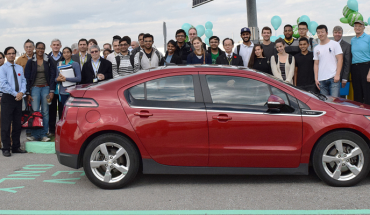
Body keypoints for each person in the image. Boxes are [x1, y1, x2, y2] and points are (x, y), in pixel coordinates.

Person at [25, 42, 56, 142]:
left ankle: (43, 134)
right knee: (35, 112)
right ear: (35, 49)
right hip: (34, 89)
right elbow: (27, 78)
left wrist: (51, 91)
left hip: (46, 88)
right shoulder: (31, 61)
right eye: (39, 48)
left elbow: (52, 76)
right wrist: (28, 93)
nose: (41, 50)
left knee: (45, 112)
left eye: (42, 48)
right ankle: (35, 135)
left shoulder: (48, 60)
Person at [0, 47, 27, 156]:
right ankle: (6, 148)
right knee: (6, 124)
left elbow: (24, 81)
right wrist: (15, 93)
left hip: (19, 98)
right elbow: (3, 84)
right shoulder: (2, 69)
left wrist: (21, 92)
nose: (11, 55)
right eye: (9, 53)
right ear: (6, 55)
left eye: (13, 53)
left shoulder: (19, 68)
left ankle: (16, 147)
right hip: (8, 98)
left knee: (17, 124)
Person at [314, 25, 343, 97]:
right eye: (318, 32)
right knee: (325, 104)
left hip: (333, 78)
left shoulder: (335, 44)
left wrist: (337, 74)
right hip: (321, 80)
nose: (320, 34)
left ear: (327, 33)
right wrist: (316, 78)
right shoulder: (316, 48)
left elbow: (340, 59)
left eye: (322, 32)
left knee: (335, 102)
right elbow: (316, 64)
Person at [48, 39, 64, 137]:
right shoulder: (47, 58)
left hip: (62, 88)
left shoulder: (64, 57)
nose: (56, 46)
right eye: (54, 45)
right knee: (51, 110)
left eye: (57, 45)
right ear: (51, 46)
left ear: (60, 46)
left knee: (62, 110)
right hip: (50, 89)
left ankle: (61, 131)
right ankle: (51, 131)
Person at [351, 20, 370, 104]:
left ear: (364, 27)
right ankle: (358, 114)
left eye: (360, 26)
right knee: (357, 92)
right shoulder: (352, 40)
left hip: (366, 67)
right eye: (356, 26)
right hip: (355, 68)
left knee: (367, 93)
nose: (357, 28)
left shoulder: (368, 38)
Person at [333, 26, 351, 94]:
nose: (337, 34)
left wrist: (344, 78)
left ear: (342, 34)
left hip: (341, 77)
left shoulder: (347, 46)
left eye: (339, 33)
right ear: (333, 34)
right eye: (335, 32)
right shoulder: (329, 44)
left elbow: (347, 63)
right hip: (330, 76)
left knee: (341, 99)